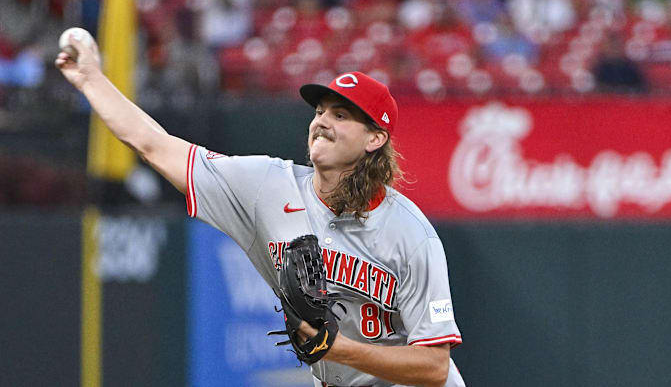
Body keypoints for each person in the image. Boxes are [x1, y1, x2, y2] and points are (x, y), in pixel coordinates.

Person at [56, 35, 465, 387]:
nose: (322, 121)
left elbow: (433, 365)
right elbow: (155, 145)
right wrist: (90, 79)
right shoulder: (267, 187)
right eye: (320, 111)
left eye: (341, 115)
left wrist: (340, 350)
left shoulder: (411, 233)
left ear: (375, 139)